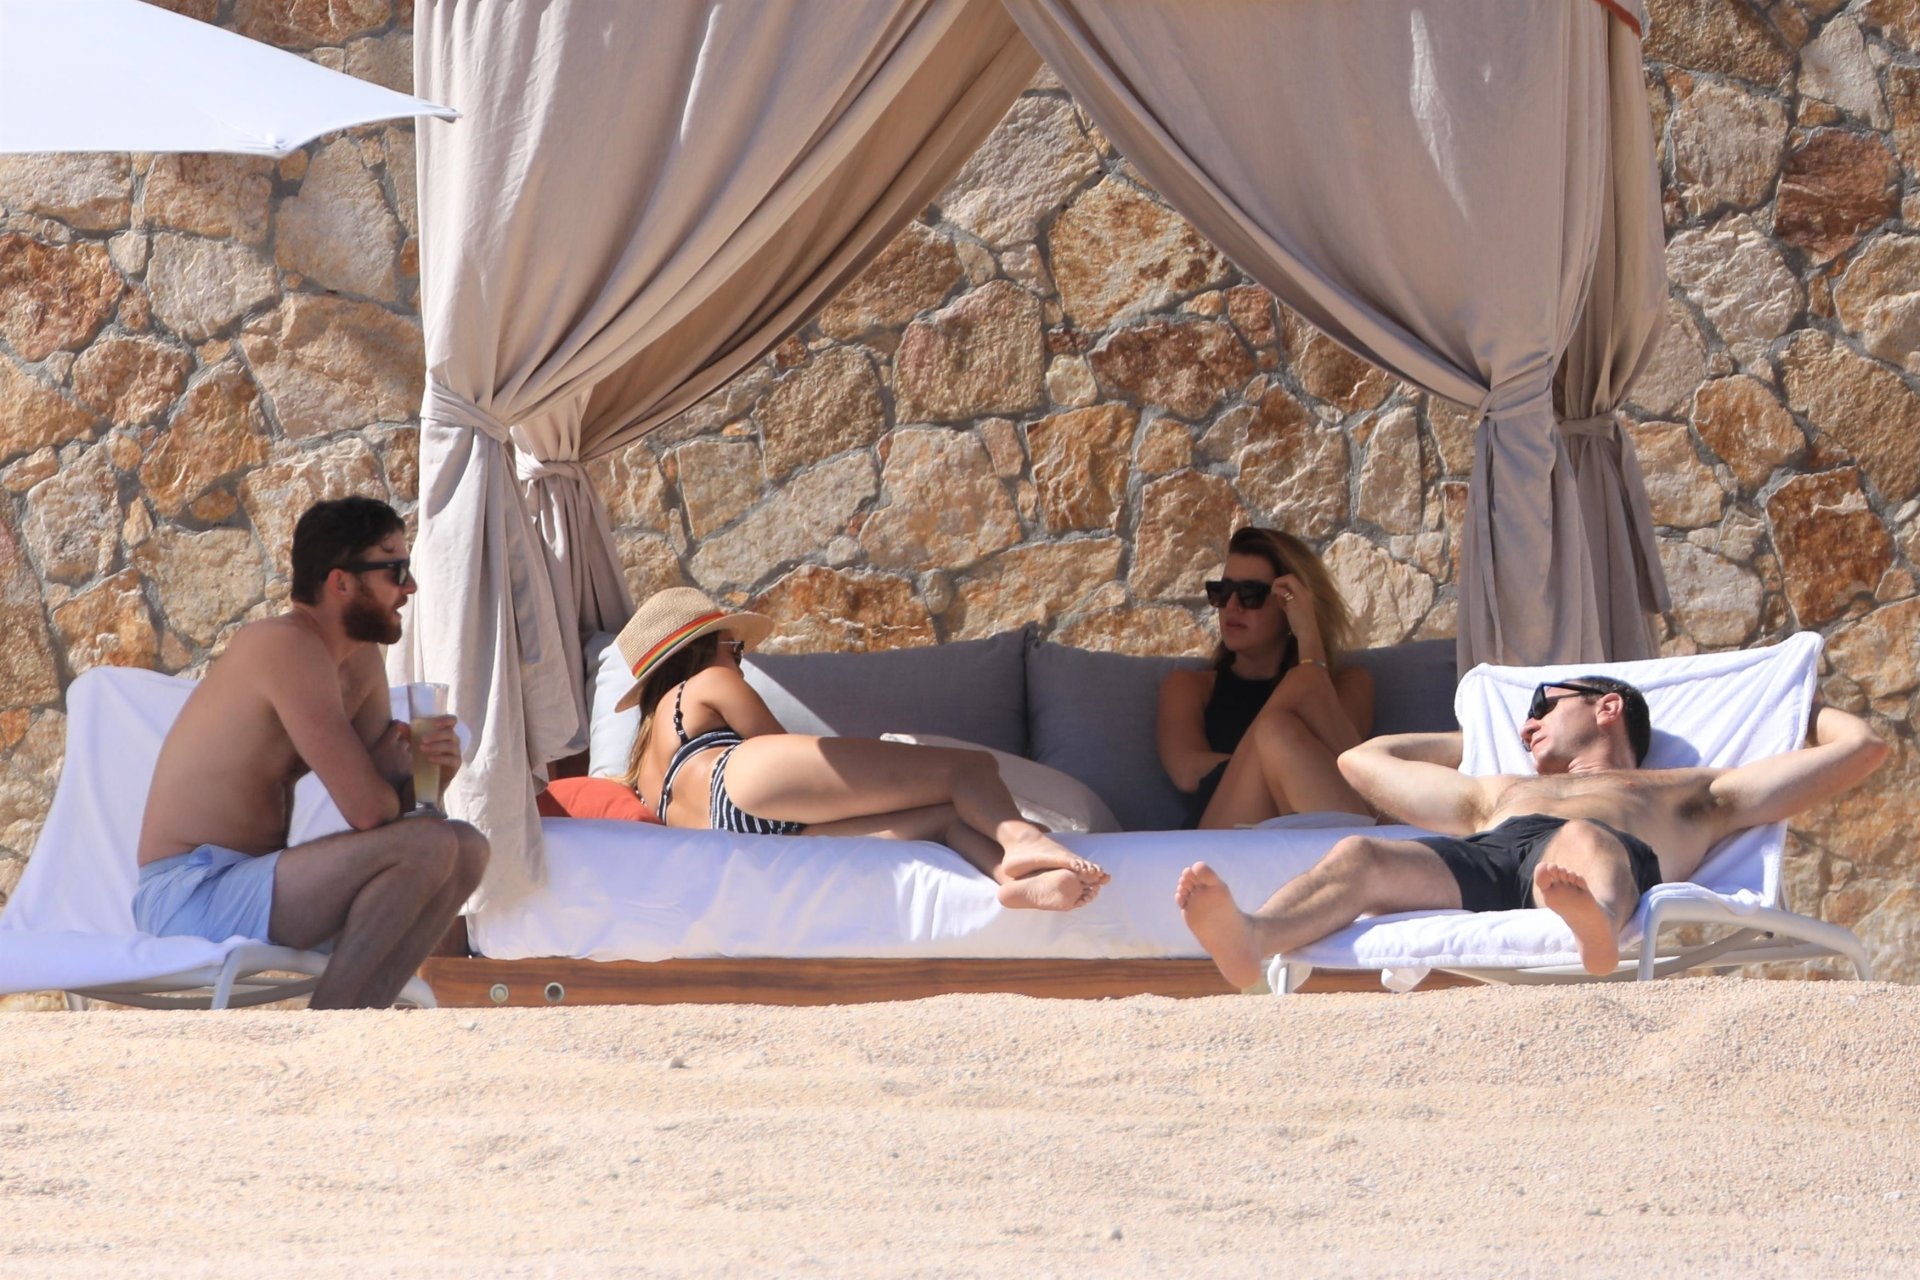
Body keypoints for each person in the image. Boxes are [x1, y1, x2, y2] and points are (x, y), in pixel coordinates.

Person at [1177, 673, 1889, 984]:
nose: (1527, 724)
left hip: (1597, 855)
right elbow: (1361, 760)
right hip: (1494, 855)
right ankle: (1255, 936)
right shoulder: (1497, 789)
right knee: (1362, 853)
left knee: (1583, 839)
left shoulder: (1692, 790)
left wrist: (1799, 705)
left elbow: (1862, 749)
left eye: (1545, 705)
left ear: (1608, 708)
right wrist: (1470, 740)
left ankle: (1595, 928)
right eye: (1522, 718)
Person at [135, 497, 488, 1010]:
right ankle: (330, 1028)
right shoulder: (285, 646)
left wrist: (433, 774)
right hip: (190, 892)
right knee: (431, 845)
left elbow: (399, 818)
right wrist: (390, 776)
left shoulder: (360, 659)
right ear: (341, 582)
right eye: (394, 569)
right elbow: (370, 811)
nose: (409, 586)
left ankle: (357, 1021)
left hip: (255, 880)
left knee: (467, 847)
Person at [617, 587, 1109, 910]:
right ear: (704, 648)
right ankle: (1021, 838)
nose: (740, 661)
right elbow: (784, 751)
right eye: (735, 647)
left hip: (741, 840)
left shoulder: (643, 762)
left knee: (945, 818)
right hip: (742, 783)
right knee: (967, 769)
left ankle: (1014, 881)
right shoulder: (709, 680)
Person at [1156, 525, 1374, 828]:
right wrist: (1274, 759)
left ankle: (1371, 848)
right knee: (1276, 728)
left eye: (1250, 594)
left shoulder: (1351, 684)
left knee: (1280, 725)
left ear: (1291, 606)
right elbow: (1187, 771)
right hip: (1221, 836)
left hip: (1312, 824)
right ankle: (1394, 834)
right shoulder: (1189, 686)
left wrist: (1308, 637)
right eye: (1222, 592)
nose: (1232, 606)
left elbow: (1344, 766)